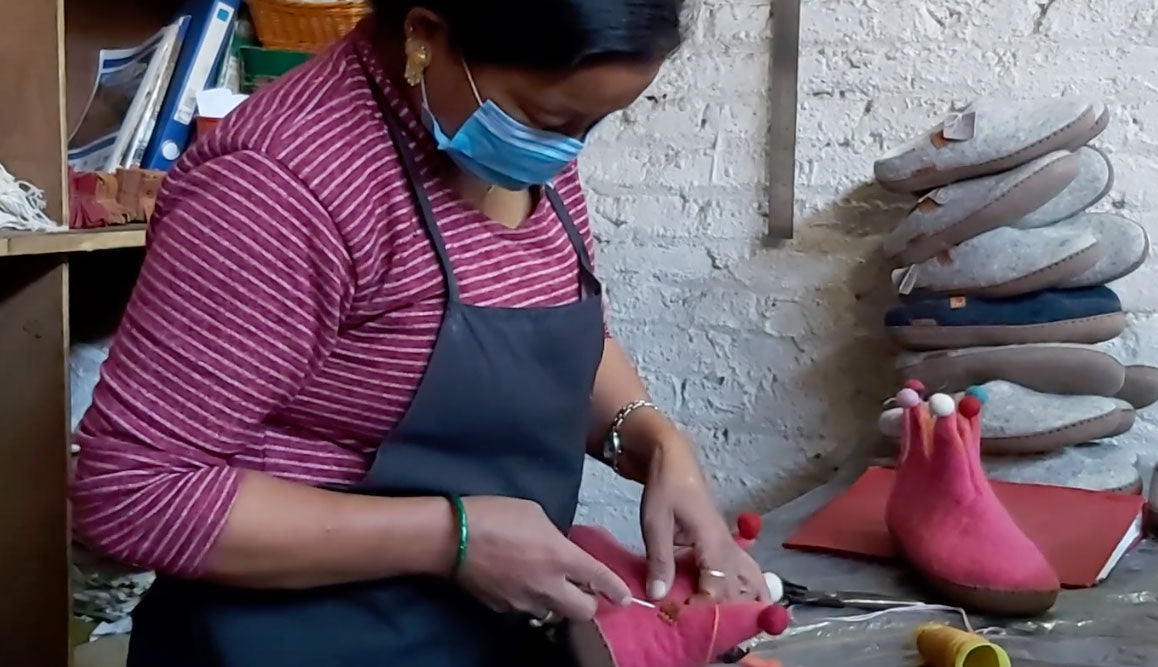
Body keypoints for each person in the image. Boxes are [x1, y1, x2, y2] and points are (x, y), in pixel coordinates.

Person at [70, 1, 767, 665]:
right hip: (294, 643)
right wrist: (451, 536)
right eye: (549, 118)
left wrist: (647, 435)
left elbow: (547, 325)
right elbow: (132, 490)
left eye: (591, 124)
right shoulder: (281, 186)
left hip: (475, 634)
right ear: (425, 34)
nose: (564, 151)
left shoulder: (511, 137)